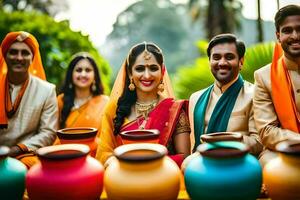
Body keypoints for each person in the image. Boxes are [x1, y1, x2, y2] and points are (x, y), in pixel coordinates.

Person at [96, 42, 191, 167]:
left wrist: (148, 162)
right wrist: (117, 161)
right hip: (122, 178)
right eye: (140, 68)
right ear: (130, 73)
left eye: (153, 68)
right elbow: (104, 154)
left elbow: (184, 158)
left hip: (162, 178)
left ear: (162, 71)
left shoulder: (174, 110)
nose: (147, 75)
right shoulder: (114, 109)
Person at [189, 33, 262, 156]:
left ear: (241, 61)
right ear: (209, 61)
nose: (222, 63)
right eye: (216, 57)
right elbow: (193, 145)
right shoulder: (196, 99)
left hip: (240, 161)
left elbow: (258, 143)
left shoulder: (255, 94)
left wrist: (223, 143)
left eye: (229, 57)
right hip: (202, 162)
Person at [0, 31, 58, 168]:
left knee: (32, 166)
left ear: (33, 57)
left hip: (25, 155)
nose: (19, 58)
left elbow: (48, 133)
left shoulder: (47, 90)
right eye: (13, 52)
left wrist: (16, 149)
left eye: (25, 53)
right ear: (4, 55)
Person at [253, 5, 300, 166]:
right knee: (270, 165)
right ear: (278, 36)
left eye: (299, 29)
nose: (295, 36)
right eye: (287, 31)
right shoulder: (264, 76)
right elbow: (267, 131)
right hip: (281, 150)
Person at [57, 52, 109, 134]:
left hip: (96, 147)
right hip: (65, 146)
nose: (83, 74)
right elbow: (53, 134)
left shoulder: (105, 103)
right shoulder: (61, 101)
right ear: (71, 74)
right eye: (78, 70)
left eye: (88, 70)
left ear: (95, 75)